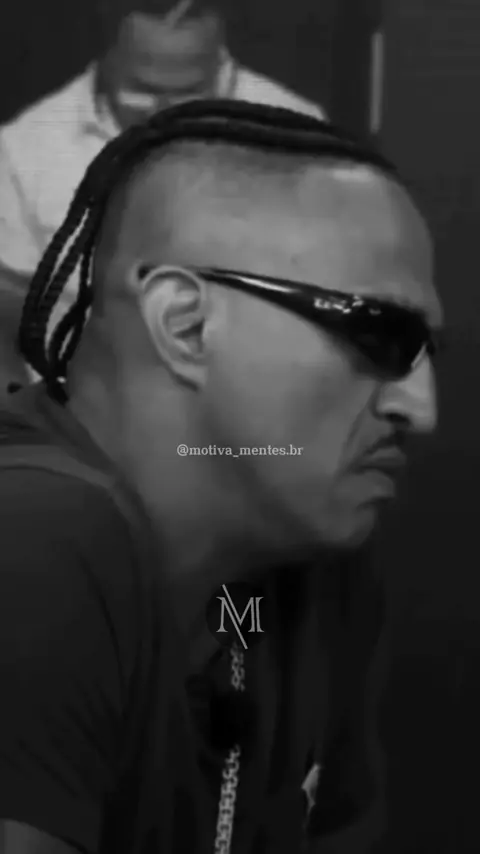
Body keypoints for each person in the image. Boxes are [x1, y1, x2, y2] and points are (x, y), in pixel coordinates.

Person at [0, 100, 442, 853]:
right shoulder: (34, 545)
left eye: (429, 352)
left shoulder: (306, 574)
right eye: (379, 333)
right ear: (186, 324)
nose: (419, 408)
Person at [0, 0, 325, 391]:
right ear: (109, 60)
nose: (162, 116)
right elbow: (6, 310)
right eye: (141, 92)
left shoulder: (300, 134)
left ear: (220, 66)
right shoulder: (24, 148)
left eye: (189, 94)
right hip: (75, 405)